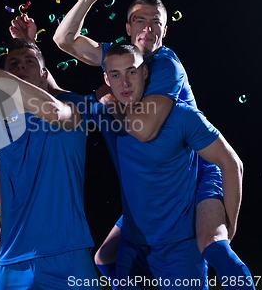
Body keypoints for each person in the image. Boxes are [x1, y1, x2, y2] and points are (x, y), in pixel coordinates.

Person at [52, 0, 255, 289]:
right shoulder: (123, 58)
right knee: (104, 258)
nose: (147, 28)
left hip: (199, 168)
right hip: (157, 187)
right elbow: (64, 40)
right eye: (139, 20)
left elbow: (145, 130)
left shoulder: (164, 66)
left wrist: (108, 100)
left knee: (213, 244)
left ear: (165, 30)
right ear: (128, 29)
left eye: (155, 22)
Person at [0, 39, 103, 289]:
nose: (20, 67)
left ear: (45, 74)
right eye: (13, 63)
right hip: (11, 262)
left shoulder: (73, 104)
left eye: (29, 62)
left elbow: (53, 111)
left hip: (68, 256)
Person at [96, 43, 250, 288]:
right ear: (106, 78)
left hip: (180, 248)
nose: (124, 82)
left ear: (145, 72)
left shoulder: (182, 116)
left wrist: (229, 229)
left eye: (132, 72)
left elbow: (232, 164)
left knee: (217, 247)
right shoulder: (104, 113)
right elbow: (55, 101)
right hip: (134, 247)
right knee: (103, 258)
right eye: (116, 75)